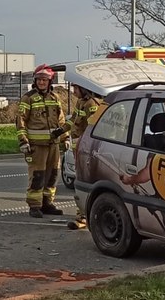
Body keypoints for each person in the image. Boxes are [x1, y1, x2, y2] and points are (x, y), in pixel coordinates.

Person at [17, 64, 66, 218]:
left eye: (44, 80)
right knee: (37, 176)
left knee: (52, 175)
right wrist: (23, 141)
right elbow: (20, 121)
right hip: (36, 146)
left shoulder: (55, 98)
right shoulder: (28, 98)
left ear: (50, 81)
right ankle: (35, 206)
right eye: (39, 80)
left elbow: (61, 120)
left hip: (54, 145)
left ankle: (47, 203)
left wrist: (65, 138)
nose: (41, 82)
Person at [61, 84, 103, 230]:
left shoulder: (93, 104)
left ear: (84, 89)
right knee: (80, 182)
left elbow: (93, 127)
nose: (73, 92)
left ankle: (83, 217)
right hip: (79, 150)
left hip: (87, 150)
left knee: (85, 183)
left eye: (76, 89)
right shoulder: (81, 102)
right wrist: (61, 130)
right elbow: (73, 120)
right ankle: (83, 215)